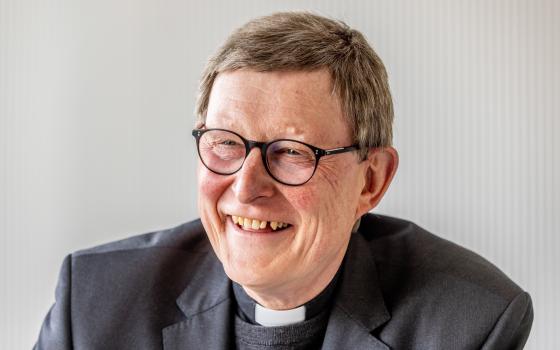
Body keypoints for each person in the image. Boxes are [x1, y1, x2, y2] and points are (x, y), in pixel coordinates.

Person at [35, 11, 533, 350]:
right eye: (226, 142)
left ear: (371, 181)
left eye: (293, 152)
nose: (246, 186)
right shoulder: (96, 302)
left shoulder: (470, 322)